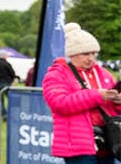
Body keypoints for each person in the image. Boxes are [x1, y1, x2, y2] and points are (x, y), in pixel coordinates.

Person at [43, 22, 121, 163]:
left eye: (93, 53)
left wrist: (117, 101)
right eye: (85, 53)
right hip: (78, 146)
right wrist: (97, 95)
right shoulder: (56, 74)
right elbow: (60, 104)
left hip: (107, 142)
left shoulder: (104, 73)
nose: (91, 58)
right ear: (72, 54)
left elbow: (112, 108)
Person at [0, 50, 18, 118]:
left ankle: (4, 114)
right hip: (6, 84)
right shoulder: (6, 64)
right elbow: (12, 73)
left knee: (0, 100)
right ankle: (11, 114)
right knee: (11, 99)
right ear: (3, 56)